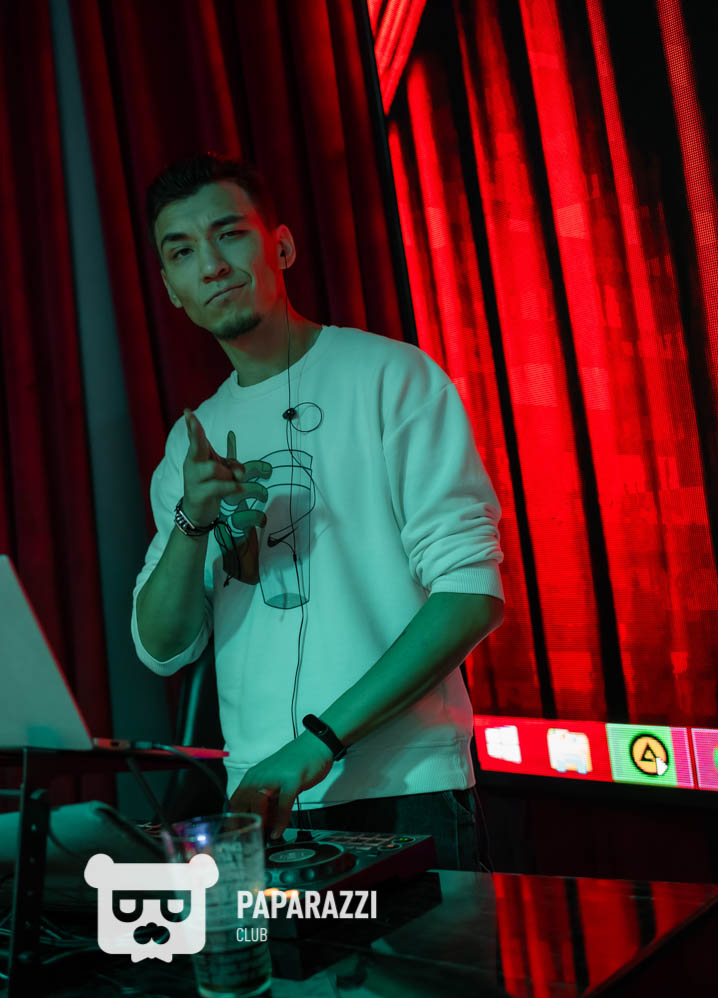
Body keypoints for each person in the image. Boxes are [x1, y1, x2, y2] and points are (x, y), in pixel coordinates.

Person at [130, 152, 505, 870]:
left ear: (281, 246)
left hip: (406, 786)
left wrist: (315, 745)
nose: (212, 265)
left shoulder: (391, 375)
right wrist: (191, 522)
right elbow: (162, 646)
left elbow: (469, 596)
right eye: (182, 252)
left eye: (229, 234)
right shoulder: (191, 440)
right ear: (172, 289)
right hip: (260, 799)